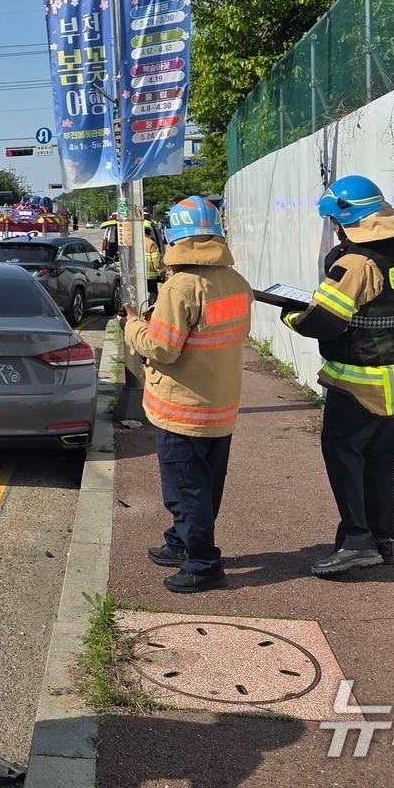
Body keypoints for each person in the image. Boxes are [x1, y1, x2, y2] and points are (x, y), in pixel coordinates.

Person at [282, 175, 394, 577]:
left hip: (359, 382)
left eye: (335, 222)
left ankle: (357, 541)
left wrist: (291, 315)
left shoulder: (356, 263)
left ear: (345, 219)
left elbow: (323, 320)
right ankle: (381, 541)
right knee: (381, 463)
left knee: (344, 458)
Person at [119, 197, 252, 594]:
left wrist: (132, 326)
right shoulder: (235, 282)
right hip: (220, 405)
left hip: (181, 409)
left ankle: (203, 563)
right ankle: (181, 542)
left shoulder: (181, 287)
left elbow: (162, 348)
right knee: (207, 484)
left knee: (184, 488)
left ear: (174, 237)